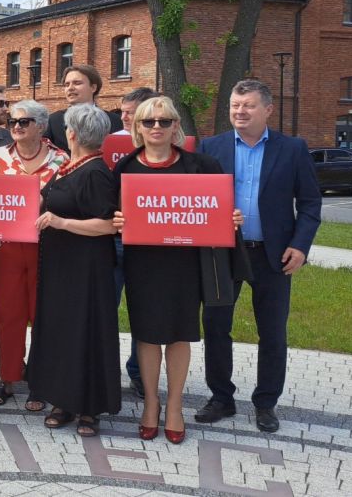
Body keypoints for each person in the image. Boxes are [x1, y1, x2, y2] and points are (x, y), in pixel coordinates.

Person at [112, 96, 245, 444]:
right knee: (146, 334)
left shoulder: (201, 165)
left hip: (186, 264)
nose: (156, 127)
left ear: (176, 126)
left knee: (179, 334)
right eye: (149, 122)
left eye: (164, 121)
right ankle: (150, 403)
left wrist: (230, 218)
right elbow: (109, 214)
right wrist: (117, 220)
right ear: (138, 127)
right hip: (143, 264)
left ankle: (174, 406)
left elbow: (218, 209)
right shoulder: (125, 167)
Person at [196, 79, 321, 433]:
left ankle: (266, 403)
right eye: (235, 105)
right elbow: (199, 198)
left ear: (268, 109)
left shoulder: (292, 149)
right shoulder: (212, 147)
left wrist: (300, 245)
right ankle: (221, 397)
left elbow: (310, 203)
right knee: (216, 326)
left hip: (274, 255)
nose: (240, 111)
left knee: (273, 332)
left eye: (248, 105)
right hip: (223, 253)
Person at [26, 103, 120, 438]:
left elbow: (108, 225)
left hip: (86, 267)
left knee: (85, 331)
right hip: (60, 263)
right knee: (63, 330)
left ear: (73, 134)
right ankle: (63, 399)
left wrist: (62, 222)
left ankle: (90, 408)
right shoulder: (68, 166)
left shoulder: (95, 172)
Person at [0, 99, 67, 412]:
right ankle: (8, 376)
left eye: (23, 122)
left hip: (48, 247)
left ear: (41, 126)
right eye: (12, 121)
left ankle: (40, 381)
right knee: (8, 314)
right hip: (6, 248)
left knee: (43, 315)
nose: (16, 126)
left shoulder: (61, 160)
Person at [111, 86, 156, 398]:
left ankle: (139, 372)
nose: (124, 118)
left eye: (131, 113)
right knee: (106, 308)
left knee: (145, 312)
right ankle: (104, 369)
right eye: (122, 112)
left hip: (150, 243)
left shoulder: (166, 147)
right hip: (114, 240)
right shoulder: (110, 143)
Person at [45, 65, 122, 151]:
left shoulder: (114, 120)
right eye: (67, 85)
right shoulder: (52, 121)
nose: (70, 88)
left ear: (93, 87)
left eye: (77, 83)